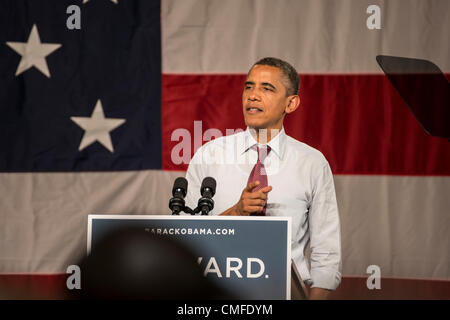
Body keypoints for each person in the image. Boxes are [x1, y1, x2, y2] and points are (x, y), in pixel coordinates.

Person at [185, 57, 342, 300]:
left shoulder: (312, 163)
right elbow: (186, 237)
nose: (253, 96)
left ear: (291, 103)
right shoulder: (209, 155)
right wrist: (236, 212)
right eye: (249, 87)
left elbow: (327, 254)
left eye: (267, 89)